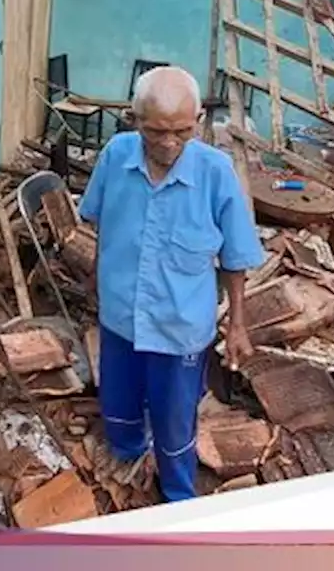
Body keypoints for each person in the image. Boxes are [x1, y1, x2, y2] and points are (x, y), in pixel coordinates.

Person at [76, 66, 265, 503]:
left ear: (198, 121)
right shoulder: (115, 157)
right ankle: (126, 456)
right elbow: (102, 219)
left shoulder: (216, 174)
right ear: (134, 119)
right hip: (120, 314)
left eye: (182, 131)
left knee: (174, 419)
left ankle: (178, 495)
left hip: (180, 328)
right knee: (118, 403)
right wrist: (96, 273)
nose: (169, 143)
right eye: (155, 131)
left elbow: (235, 258)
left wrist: (237, 325)